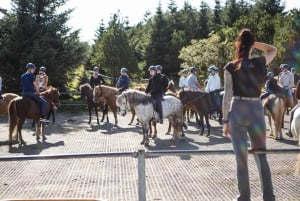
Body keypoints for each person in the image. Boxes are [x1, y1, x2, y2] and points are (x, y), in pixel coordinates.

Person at [222, 29, 277, 201]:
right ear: (252, 44)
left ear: (238, 44)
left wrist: (225, 121)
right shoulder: (261, 62)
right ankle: (268, 197)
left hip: (237, 109)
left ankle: (244, 197)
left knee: (241, 157)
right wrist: (255, 44)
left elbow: (227, 96)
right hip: (256, 109)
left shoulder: (230, 67)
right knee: (261, 155)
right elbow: (273, 50)